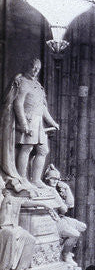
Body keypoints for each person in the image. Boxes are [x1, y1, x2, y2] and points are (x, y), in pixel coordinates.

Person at [0, 57, 60, 194]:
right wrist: (24, 124)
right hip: (29, 120)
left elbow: (43, 108)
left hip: (38, 122)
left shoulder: (38, 86)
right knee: (27, 148)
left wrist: (53, 122)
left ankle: (36, 179)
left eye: (38, 69)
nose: (35, 71)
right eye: (33, 67)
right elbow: (18, 104)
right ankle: (22, 178)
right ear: (27, 66)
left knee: (43, 150)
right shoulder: (22, 82)